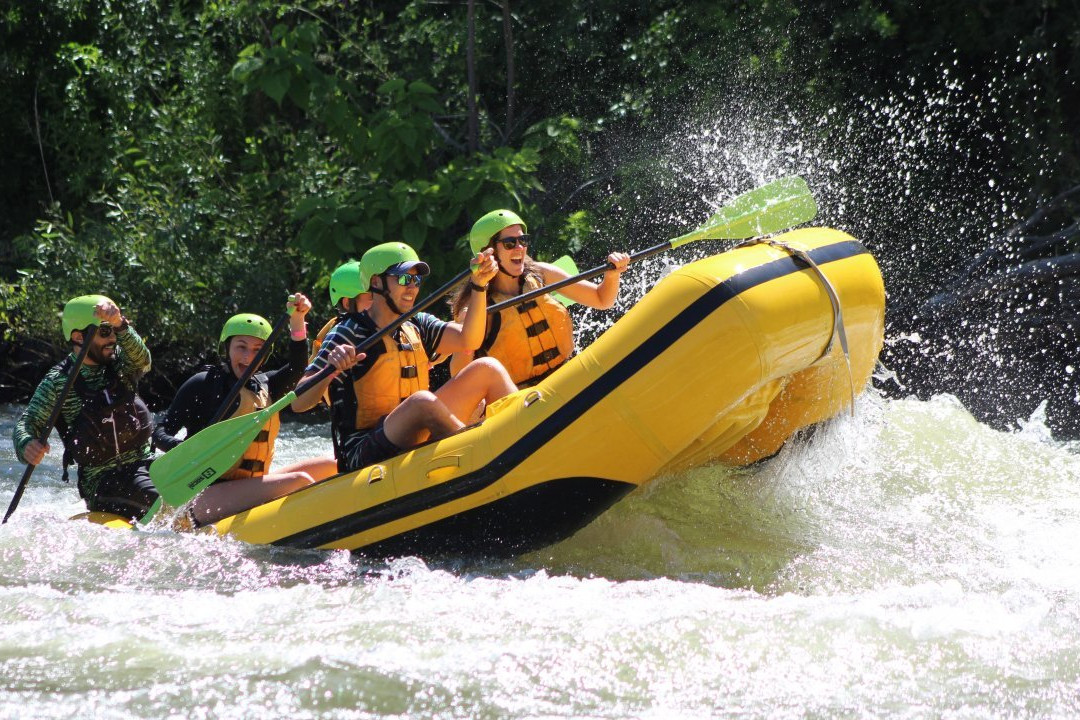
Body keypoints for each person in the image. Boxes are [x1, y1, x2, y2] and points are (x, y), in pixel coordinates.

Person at [291, 241, 517, 472]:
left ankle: (523, 435)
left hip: (414, 431)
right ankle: (481, 457)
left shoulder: (417, 323)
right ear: (376, 282)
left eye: (416, 280)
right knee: (422, 402)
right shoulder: (346, 333)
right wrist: (332, 368)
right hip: (364, 452)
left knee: (488, 368)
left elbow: (469, 340)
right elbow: (299, 403)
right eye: (403, 279)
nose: (412, 288)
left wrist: (479, 286)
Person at [152, 294, 334, 525]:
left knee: (329, 466)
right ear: (226, 348)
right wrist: (187, 451)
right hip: (204, 494)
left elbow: (299, 367)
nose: (249, 356)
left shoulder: (267, 385)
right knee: (300, 480)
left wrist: (297, 320)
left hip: (249, 483)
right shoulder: (204, 384)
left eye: (258, 349)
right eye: (241, 347)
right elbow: (160, 431)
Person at [12, 295, 159, 519]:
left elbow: (144, 360)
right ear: (79, 337)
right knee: (156, 496)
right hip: (103, 480)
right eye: (104, 332)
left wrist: (120, 324)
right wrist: (26, 444)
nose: (112, 339)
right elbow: (27, 424)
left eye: (113, 331)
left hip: (146, 464)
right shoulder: (58, 381)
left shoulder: (121, 362)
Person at [448, 209, 630, 387]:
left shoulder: (542, 273)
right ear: (489, 252)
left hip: (567, 375)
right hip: (523, 400)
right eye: (510, 243)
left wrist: (612, 276)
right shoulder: (476, 305)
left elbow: (602, 299)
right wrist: (468, 338)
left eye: (523, 240)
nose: (520, 247)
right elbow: (458, 374)